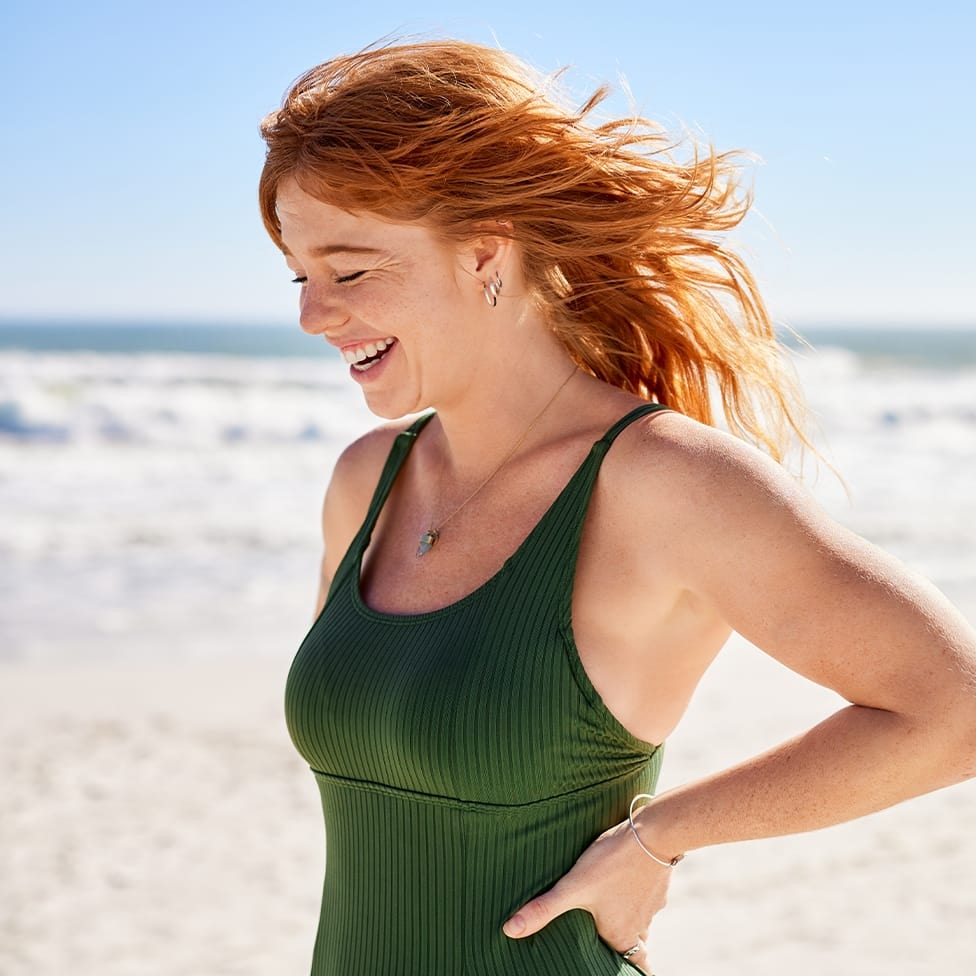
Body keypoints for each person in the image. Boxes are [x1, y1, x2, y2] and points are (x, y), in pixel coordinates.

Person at [258, 38, 976, 975]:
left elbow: (952, 709)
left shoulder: (666, 484)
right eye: (299, 276)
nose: (313, 315)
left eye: (349, 272)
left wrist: (659, 837)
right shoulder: (366, 483)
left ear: (485, 252)